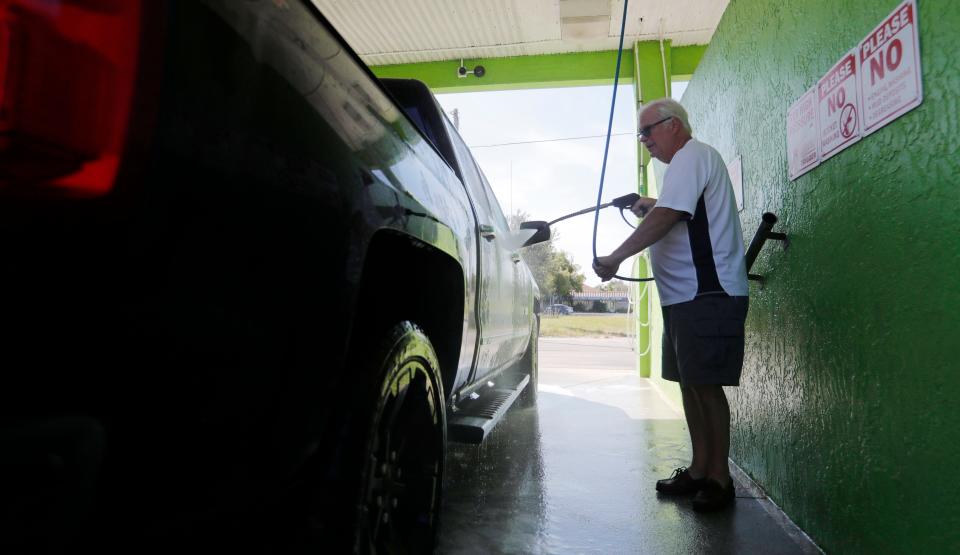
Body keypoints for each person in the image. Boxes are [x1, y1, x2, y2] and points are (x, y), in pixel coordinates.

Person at [593, 98, 749, 512]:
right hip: (685, 297)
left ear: (675, 125)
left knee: (706, 387)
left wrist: (615, 257)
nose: (644, 139)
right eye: (640, 134)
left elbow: (667, 217)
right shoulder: (683, 166)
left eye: (648, 130)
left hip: (708, 294)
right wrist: (648, 201)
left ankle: (719, 478)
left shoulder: (692, 156)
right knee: (691, 384)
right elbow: (672, 209)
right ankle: (699, 469)